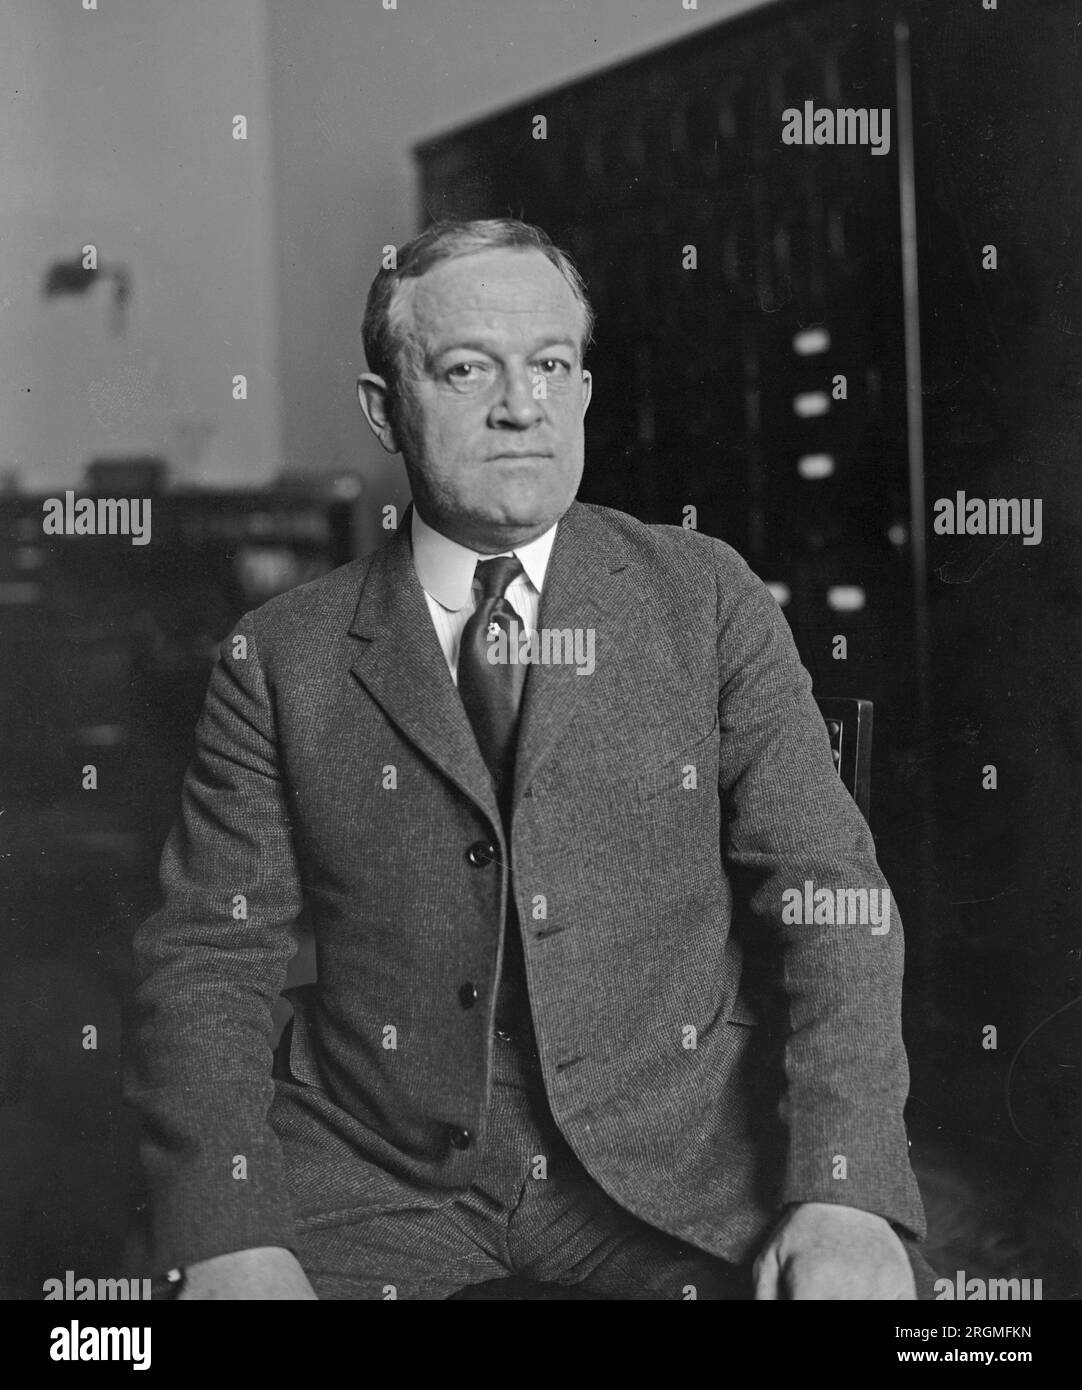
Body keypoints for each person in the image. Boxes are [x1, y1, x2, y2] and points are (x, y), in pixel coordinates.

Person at [128, 218, 931, 1300]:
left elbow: (828, 894)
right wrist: (227, 1232)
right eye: (467, 369)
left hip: (676, 1153)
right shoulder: (279, 657)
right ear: (383, 409)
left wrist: (841, 1187)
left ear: (584, 392)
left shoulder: (702, 596)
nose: (522, 405)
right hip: (375, 1164)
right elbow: (206, 962)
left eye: (550, 365)